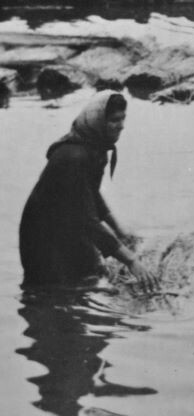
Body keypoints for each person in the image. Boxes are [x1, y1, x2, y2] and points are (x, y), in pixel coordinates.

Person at [19, 90, 158, 290]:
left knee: (88, 275)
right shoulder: (75, 157)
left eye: (122, 119)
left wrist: (119, 230)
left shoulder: (94, 145)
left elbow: (91, 194)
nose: (121, 126)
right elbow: (86, 219)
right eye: (114, 120)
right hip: (43, 233)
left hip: (66, 222)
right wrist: (130, 260)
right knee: (50, 290)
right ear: (99, 121)